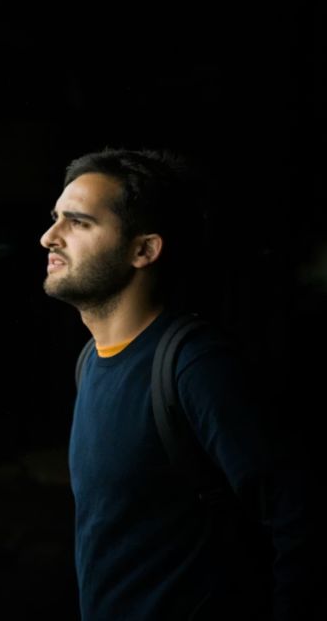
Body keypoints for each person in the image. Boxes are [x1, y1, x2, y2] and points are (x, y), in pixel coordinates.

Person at [40, 148, 316, 620]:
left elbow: (302, 521)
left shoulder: (195, 365)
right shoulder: (91, 360)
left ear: (143, 250)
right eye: (55, 218)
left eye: (79, 223)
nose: (49, 237)